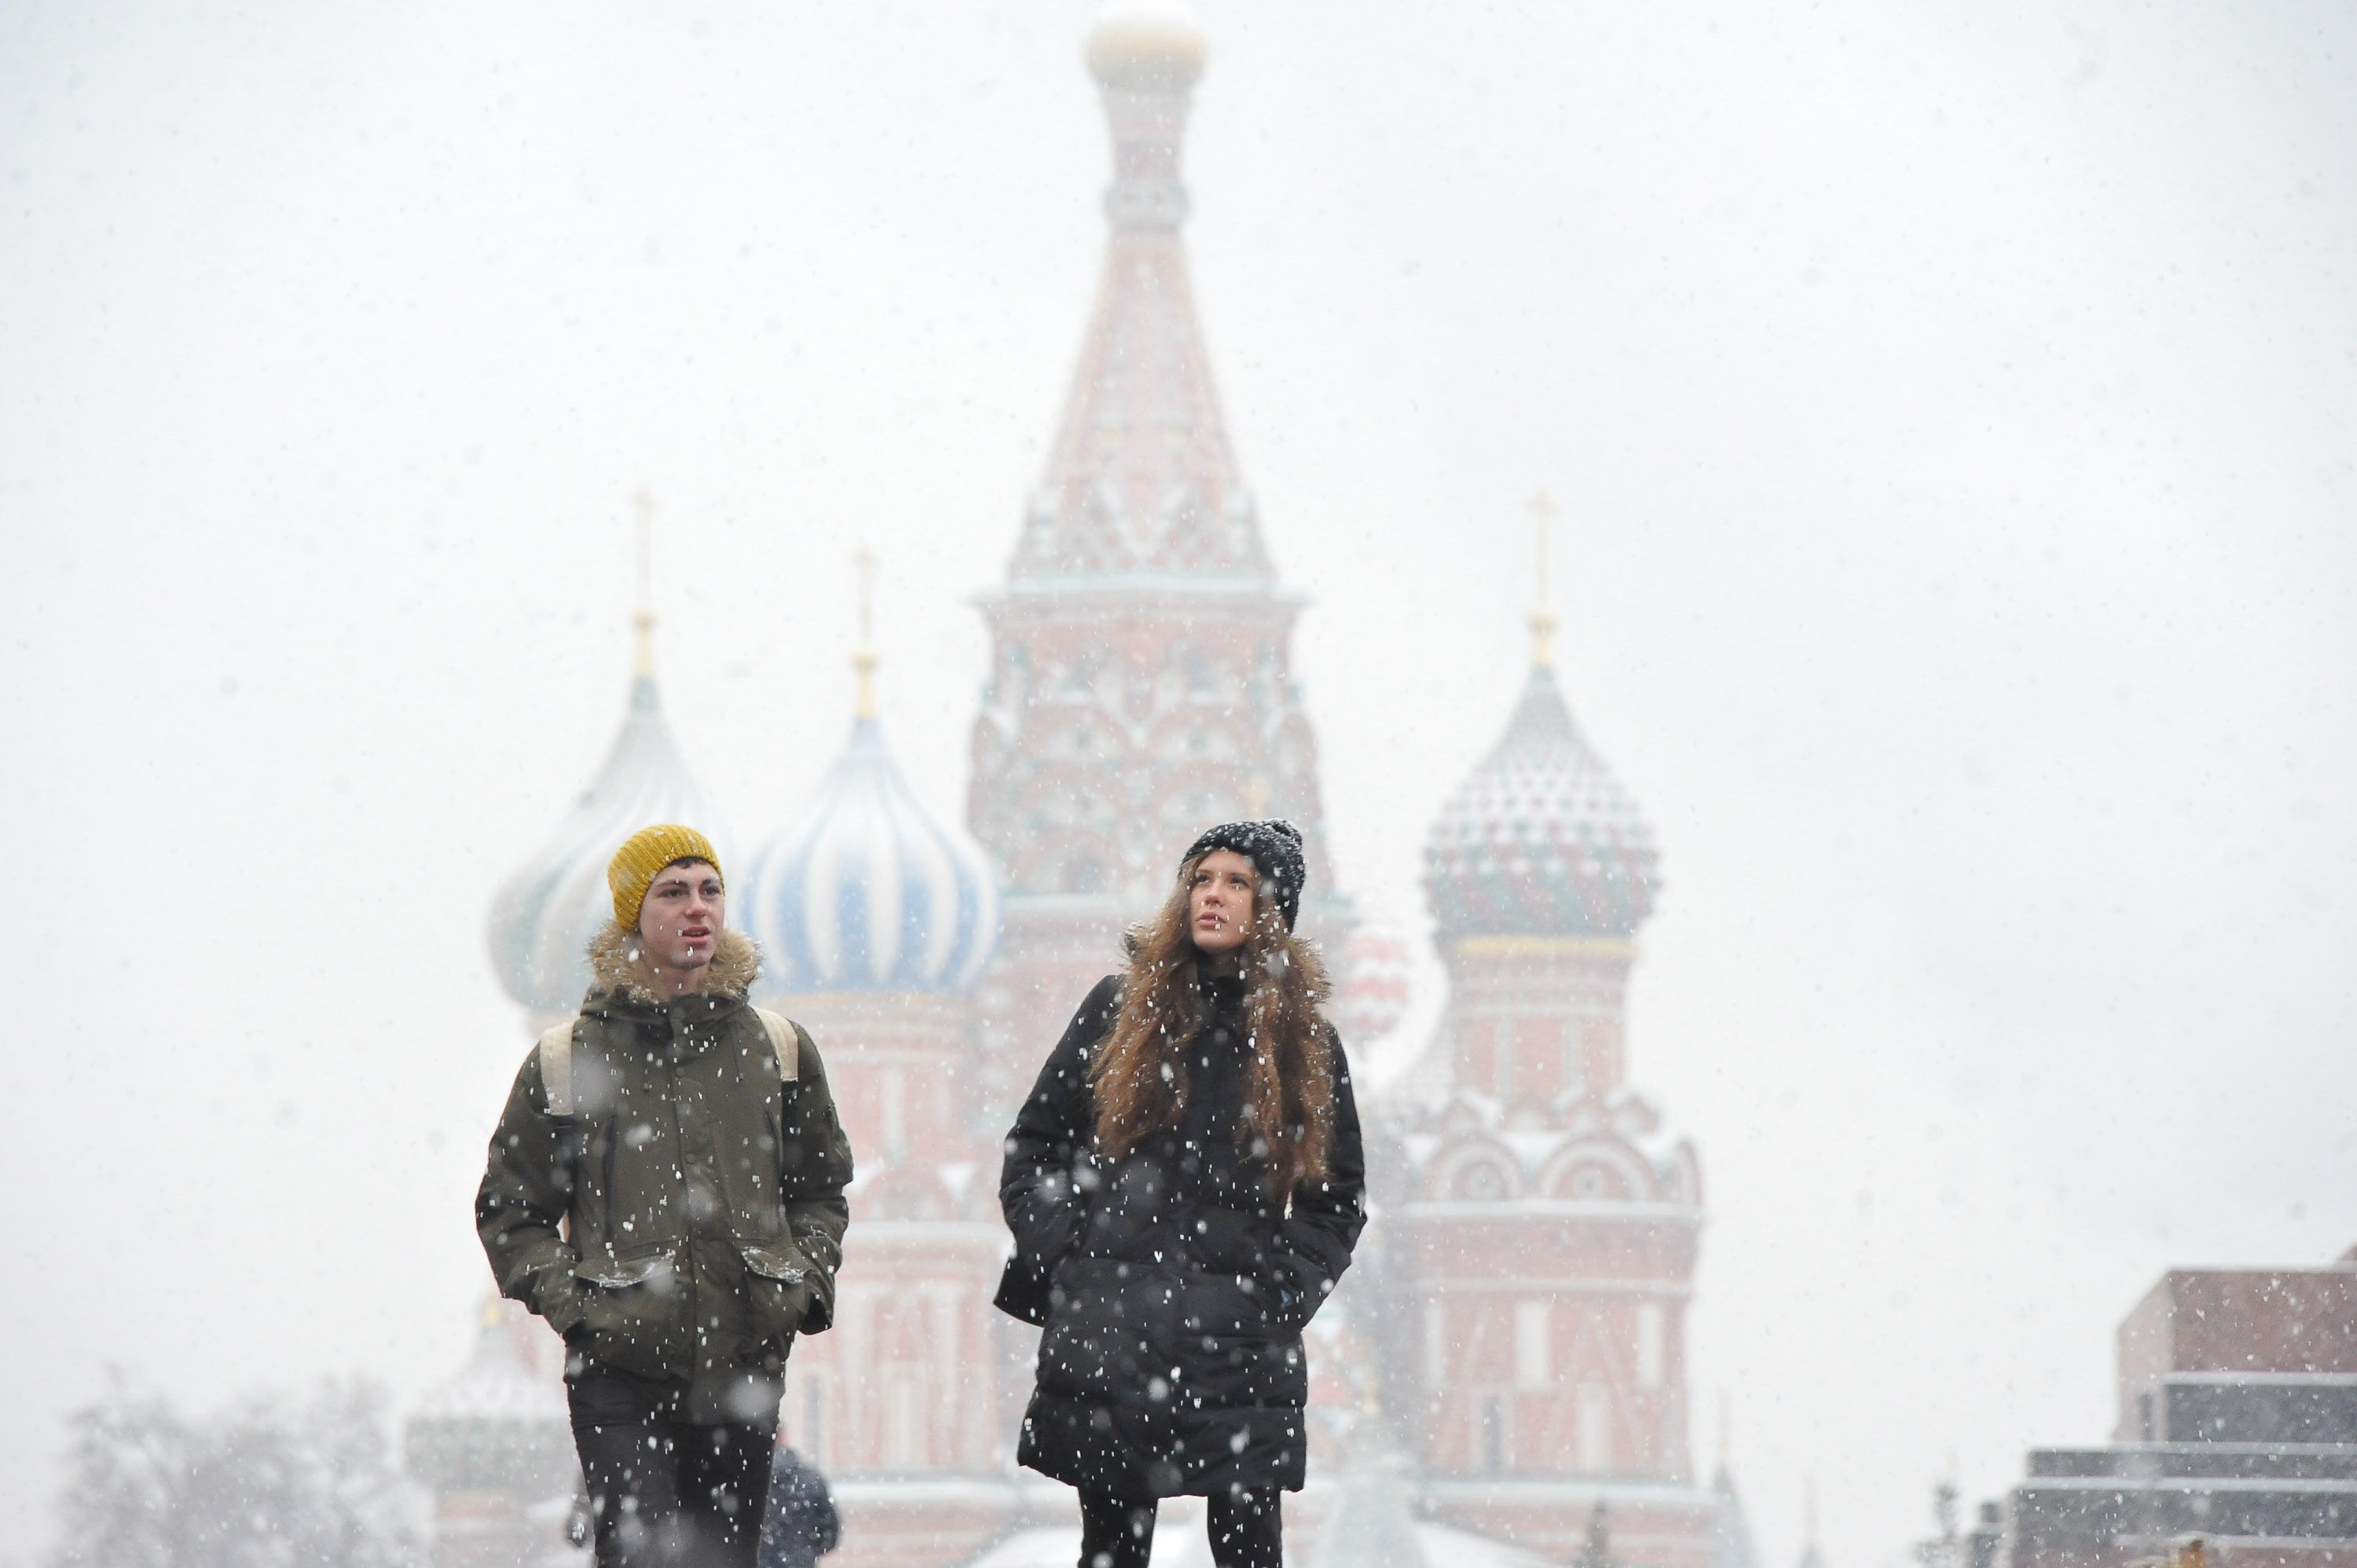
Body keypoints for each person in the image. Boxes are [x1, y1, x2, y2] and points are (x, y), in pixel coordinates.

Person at [478, 824, 855, 1568]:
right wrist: (579, 1306)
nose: (697, 909)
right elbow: (510, 1210)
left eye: (710, 890)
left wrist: (798, 1283)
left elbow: (821, 1189)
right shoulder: (568, 1058)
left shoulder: (775, 1050)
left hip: (743, 1364)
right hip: (620, 1373)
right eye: (673, 891)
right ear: (633, 915)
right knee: (644, 1557)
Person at [995, 820, 1367, 1568]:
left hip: (1239, 1350)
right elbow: (1034, 1148)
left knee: (1249, 1552)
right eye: (1203, 878)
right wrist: (1075, 1259)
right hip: (1112, 1336)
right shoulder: (1119, 1009)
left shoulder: (1305, 1043)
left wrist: (1276, 1297)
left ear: (1272, 909)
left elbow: (1336, 1201)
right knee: (1110, 1551)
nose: (1214, 896)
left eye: (1237, 883)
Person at [755, 1440, 840, 1568]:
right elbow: (829, 1534)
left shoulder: (746, 1482)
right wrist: (805, 1552)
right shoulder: (809, 1480)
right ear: (783, 1438)